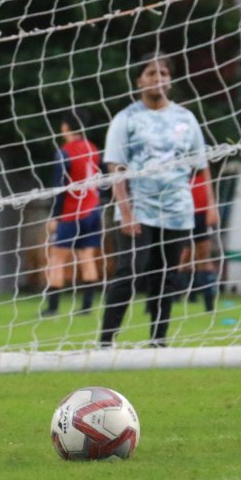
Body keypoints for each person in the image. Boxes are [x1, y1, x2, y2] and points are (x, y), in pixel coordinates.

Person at [100, 53, 209, 348]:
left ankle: (158, 340)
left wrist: (207, 207)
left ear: (170, 80)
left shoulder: (185, 119)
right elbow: (115, 168)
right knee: (129, 271)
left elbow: (201, 166)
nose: (157, 78)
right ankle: (105, 341)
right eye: (150, 73)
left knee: (166, 276)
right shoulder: (126, 119)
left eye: (162, 73)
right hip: (139, 210)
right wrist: (126, 211)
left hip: (177, 211)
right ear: (139, 80)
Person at [42, 111, 102, 317]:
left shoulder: (64, 152)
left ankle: (52, 308)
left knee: (57, 258)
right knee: (87, 257)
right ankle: (86, 308)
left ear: (66, 127)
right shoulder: (92, 149)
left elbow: (60, 187)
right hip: (93, 209)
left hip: (71, 211)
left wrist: (55, 216)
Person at [178, 167, 219, 312]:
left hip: (201, 213)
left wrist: (211, 208)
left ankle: (209, 304)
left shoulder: (202, 166)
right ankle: (182, 296)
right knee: (184, 257)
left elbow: (208, 178)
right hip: (184, 212)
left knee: (203, 257)